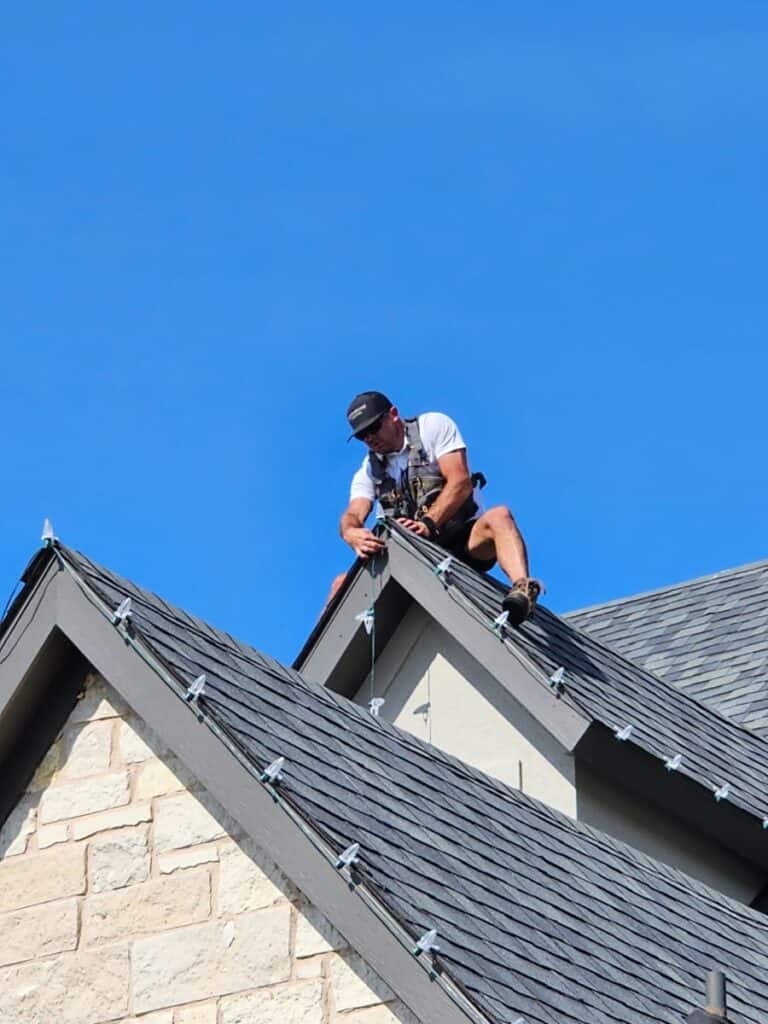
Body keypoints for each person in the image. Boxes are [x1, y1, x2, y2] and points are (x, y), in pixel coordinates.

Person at [330, 390, 541, 625]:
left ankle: (522, 592)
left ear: (393, 414)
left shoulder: (431, 428)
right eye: (362, 435)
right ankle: (319, 648)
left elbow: (460, 481)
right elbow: (353, 513)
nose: (370, 438)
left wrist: (427, 524)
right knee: (341, 585)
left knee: (499, 516)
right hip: (411, 554)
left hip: (463, 540)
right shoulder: (369, 471)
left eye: (374, 427)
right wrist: (351, 533)